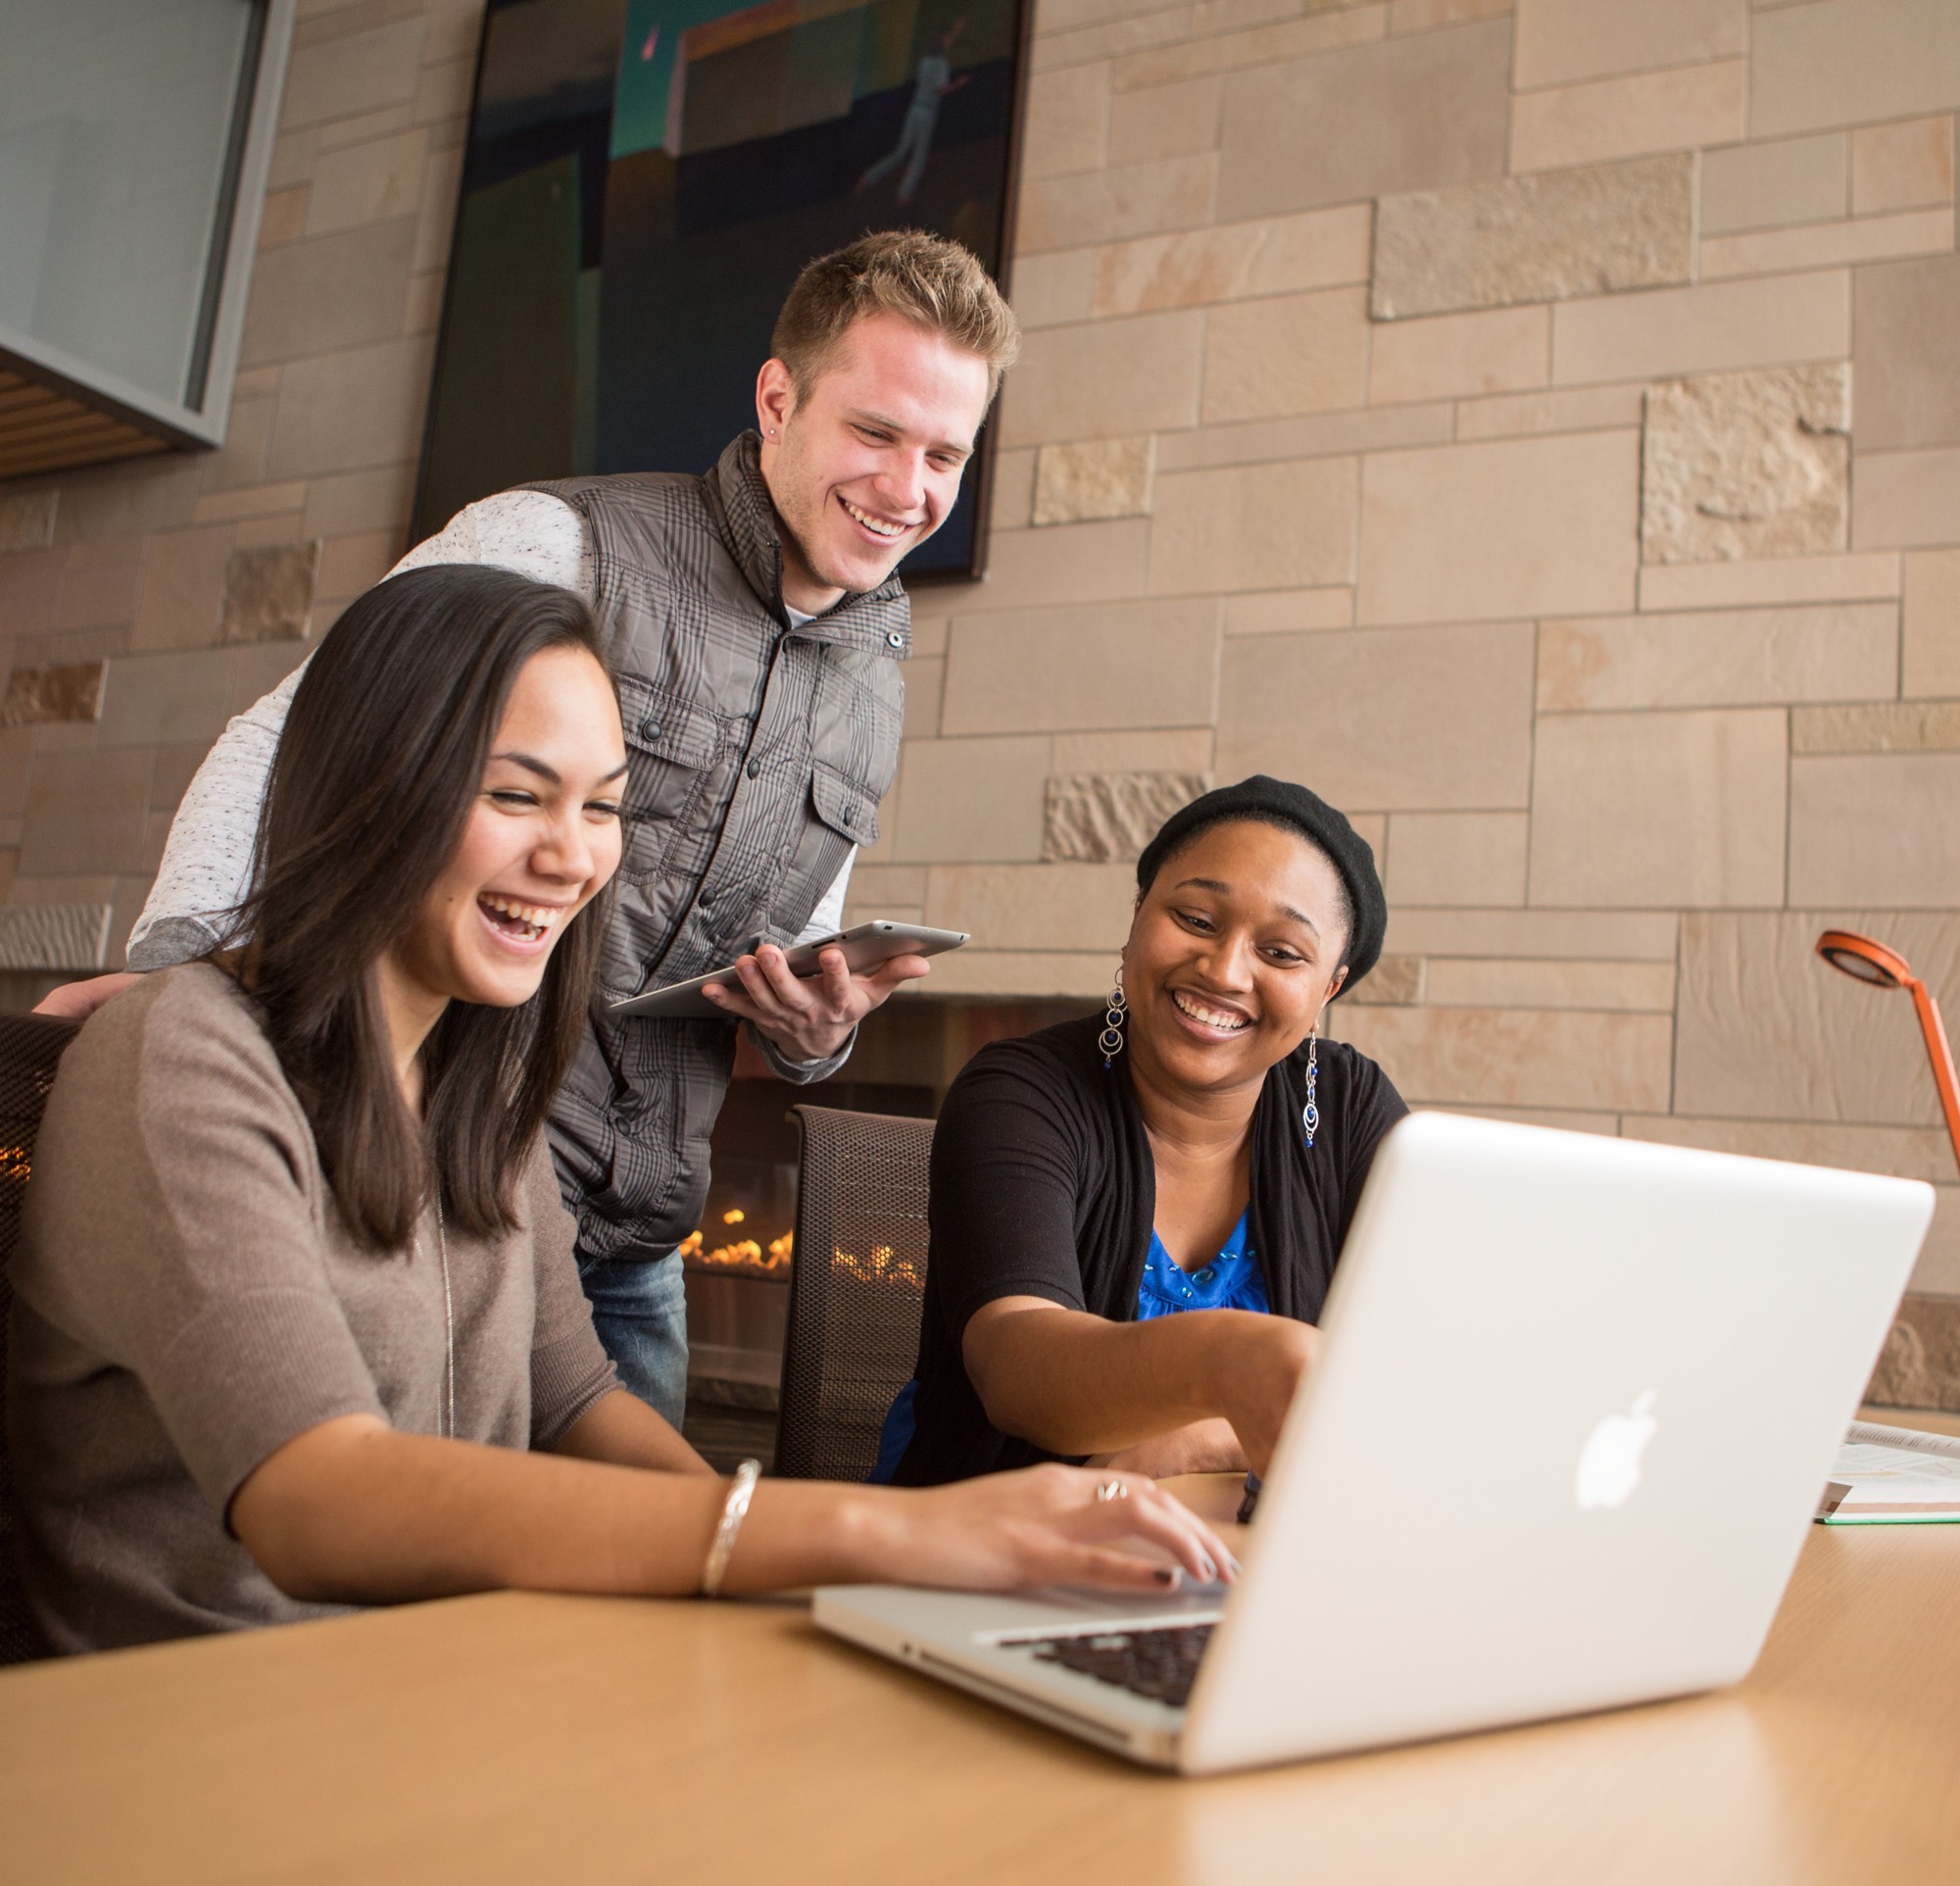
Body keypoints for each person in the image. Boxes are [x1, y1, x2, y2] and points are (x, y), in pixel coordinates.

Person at [5, 566, 1232, 1655]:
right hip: (197, 1732)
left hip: (436, 1691)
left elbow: (575, 1401)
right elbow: (319, 1496)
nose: (572, 855)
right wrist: (873, 1533)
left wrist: (802, 1593)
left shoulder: (473, 1074)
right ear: (371, 787)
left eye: (600, 807)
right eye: (517, 795)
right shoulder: (183, 1055)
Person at [47, 230, 1019, 1428]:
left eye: (944, 455)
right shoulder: (557, 541)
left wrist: (815, 1027)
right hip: (459, 1188)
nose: (906, 489)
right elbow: (288, 736)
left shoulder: (877, 661)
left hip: (644, 1225)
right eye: (874, 433)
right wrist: (190, 986)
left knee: (625, 1581)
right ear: (777, 399)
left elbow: (793, 924)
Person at [881, 777, 1409, 1487]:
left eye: (1282, 953)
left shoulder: (1353, 1108)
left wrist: (1207, 1442)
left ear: (1328, 991)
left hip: (1253, 1569)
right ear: (1137, 917)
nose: (1224, 971)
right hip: (986, 1553)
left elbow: (1424, 1367)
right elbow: (1016, 1367)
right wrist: (1227, 1364)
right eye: (1195, 918)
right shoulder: (1020, 1091)